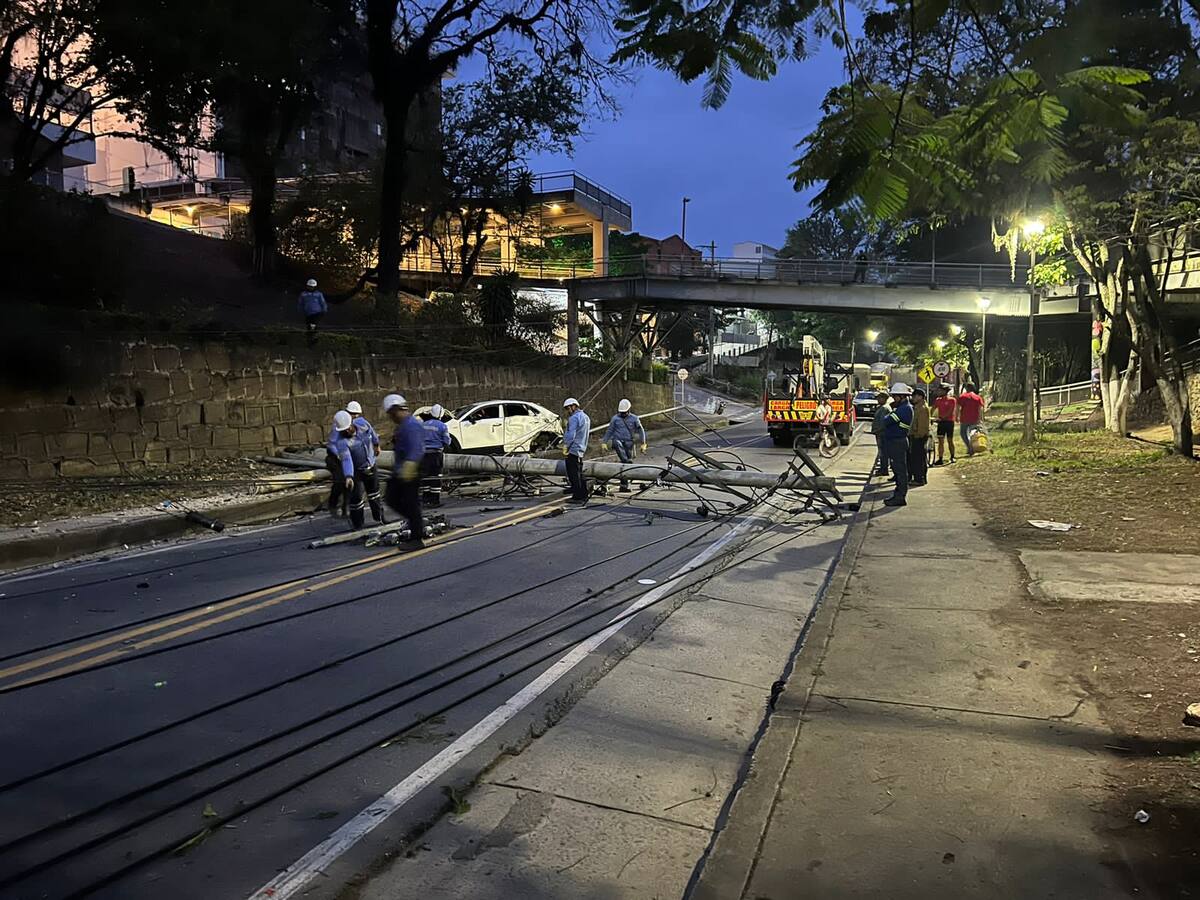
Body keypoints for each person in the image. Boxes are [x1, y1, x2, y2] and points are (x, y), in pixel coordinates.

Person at [329, 410, 385, 530]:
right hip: (356, 471)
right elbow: (346, 459)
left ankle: (379, 517)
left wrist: (376, 444)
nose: (347, 431)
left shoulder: (363, 424)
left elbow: (373, 434)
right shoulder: (341, 442)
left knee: (374, 494)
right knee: (356, 499)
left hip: (370, 465)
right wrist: (349, 476)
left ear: (352, 423)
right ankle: (358, 524)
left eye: (348, 428)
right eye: (343, 430)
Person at [383, 394, 426, 550]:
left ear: (397, 410)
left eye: (391, 414)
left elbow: (416, 449)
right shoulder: (403, 426)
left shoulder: (411, 426)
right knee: (392, 499)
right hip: (401, 470)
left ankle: (416, 537)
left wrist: (408, 469)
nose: (391, 418)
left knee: (410, 503)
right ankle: (415, 523)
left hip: (410, 471)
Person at [603, 398, 647, 493]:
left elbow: (640, 430)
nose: (622, 414)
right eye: (621, 413)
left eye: (624, 412)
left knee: (625, 465)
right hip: (618, 441)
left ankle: (624, 485)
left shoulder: (634, 418)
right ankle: (626, 461)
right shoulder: (615, 419)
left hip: (629, 443)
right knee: (620, 449)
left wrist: (643, 443)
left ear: (629, 410)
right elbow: (610, 430)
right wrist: (604, 442)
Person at [882, 383, 914, 507]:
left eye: (895, 396)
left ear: (901, 396)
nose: (894, 399)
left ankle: (900, 496)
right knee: (898, 469)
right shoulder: (903, 408)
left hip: (897, 441)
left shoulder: (904, 409)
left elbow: (886, 421)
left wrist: (889, 416)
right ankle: (898, 494)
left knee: (900, 470)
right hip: (897, 441)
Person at [419, 403, 452, 506]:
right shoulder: (442, 426)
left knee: (425, 477)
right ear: (440, 414)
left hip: (423, 455)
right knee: (436, 477)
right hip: (435, 455)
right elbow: (447, 441)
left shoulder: (423, 425)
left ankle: (425, 499)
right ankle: (435, 501)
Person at [561, 397, 591, 505]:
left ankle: (577, 496)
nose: (568, 411)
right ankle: (584, 494)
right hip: (581, 448)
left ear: (574, 406)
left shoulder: (574, 418)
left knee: (573, 474)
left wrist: (566, 446)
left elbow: (570, 434)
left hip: (573, 449)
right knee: (579, 473)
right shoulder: (586, 417)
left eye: (568, 408)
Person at [908, 388, 930, 486]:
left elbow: (922, 425)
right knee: (916, 458)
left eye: (915, 396)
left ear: (920, 397)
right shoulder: (917, 407)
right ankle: (917, 477)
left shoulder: (922, 409)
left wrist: (918, 435)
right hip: (915, 436)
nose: (913, 398)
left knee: (919, 459)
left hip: (919, 437)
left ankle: (919, 478)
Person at [957, 383, 986, 455]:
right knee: (972, 434)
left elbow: (958, 407)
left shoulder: (963, 396)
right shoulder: (978, 397)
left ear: (967, 388)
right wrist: (981, 418)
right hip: (975, 418)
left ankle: (970, 447)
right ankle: (973, 446)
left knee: (963, 434)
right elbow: (981, 409)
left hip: (965, 418)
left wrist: (957, 416)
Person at [931, 383, 957, 465]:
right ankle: (940, 458)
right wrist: (930, 416)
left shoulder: (952, 400)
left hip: (949, 422)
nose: (939, 392)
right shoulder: (938, 400)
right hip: (941, 423)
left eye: (940, 390)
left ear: (945, 391)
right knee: (940, 441)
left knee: (950, 440)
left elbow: (950, 412)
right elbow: (933, 408)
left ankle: (952, 456)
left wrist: (942, 418)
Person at [870, 392, 893, 477]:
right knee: (882, 451)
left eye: (879, 398)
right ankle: (883, 468)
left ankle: (884, 469)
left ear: (884, 398)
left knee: (883, 452)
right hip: (880, 433)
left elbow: (883, 423)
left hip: (882, 433)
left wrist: (877, 430)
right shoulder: (881, 407)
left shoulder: (884, 408)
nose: (877, 400)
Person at [298, 279, 327, 344]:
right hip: (308, 313)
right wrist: (300, 310)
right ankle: (310, 340)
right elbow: (300, 303)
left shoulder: (318, 294)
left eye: (312, 287)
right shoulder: (303, 294)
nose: (310, 288)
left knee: (313, 324)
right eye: (309, 286)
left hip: (317, 312)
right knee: (309, 326)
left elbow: (323, 302)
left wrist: (324, 310)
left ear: (315, 287)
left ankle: (314, 337)